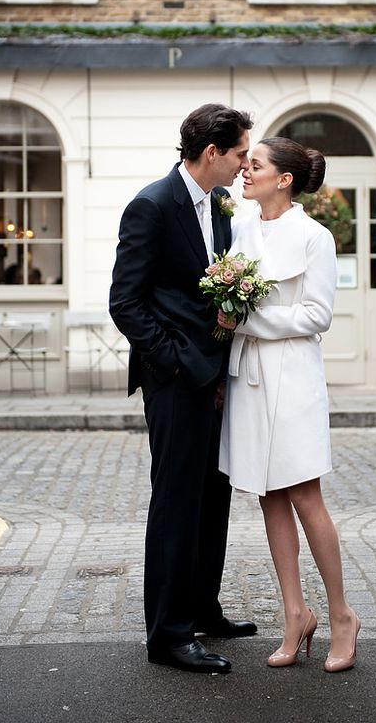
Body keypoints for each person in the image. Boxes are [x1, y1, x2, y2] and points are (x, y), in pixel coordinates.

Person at [109, 103, 256, 674]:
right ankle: (168, 635)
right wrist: (172, 362)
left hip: (216, 377)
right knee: (175, 502)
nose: (246, 163)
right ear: (213, 152)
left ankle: (202, 607)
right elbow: (126, 301)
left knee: (212, 495)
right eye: (242, 153)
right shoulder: (151, 205)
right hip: (173, 381)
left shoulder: (218, 207)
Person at [218, 137, 360, 673]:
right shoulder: (239, 229)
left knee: (304, 492)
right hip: (248, 376)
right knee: (267, 495)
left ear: (284, 179)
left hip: (295, 376)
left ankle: (342, 615)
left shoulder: (315, 237)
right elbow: (227, 299)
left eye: (255, 165)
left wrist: (249, 320)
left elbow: (316, 316)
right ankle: (294, 614)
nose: (244, 171)